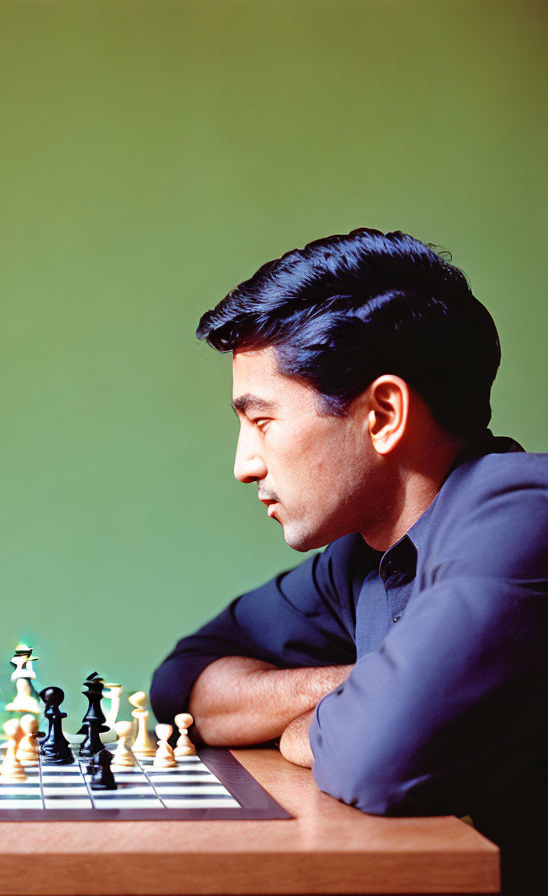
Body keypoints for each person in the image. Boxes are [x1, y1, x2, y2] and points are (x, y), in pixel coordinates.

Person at [150, 229, 547, 895]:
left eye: (264, 421)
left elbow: (378, 758)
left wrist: (349, 716)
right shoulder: (362, 560)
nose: (245, 465)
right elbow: (184, 684)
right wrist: (367, 683)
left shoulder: (523, 516)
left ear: (384, 414)